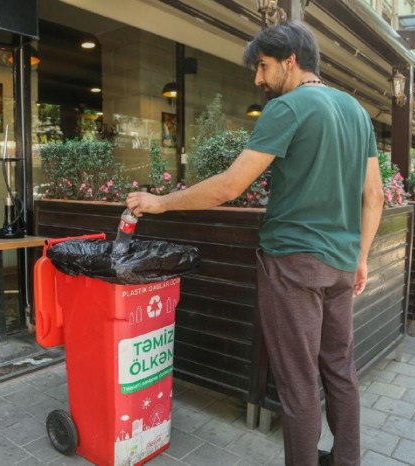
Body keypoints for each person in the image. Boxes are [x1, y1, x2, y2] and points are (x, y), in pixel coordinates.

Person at [125, 20, 383, 466]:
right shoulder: (356, 111)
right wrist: (360, 259)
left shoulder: (289, 108)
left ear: (291, 60)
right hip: (341, 265)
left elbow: (230, 185)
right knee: (340, 371)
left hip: (294, 264)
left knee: (299, 383)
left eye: (263, 66)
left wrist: (161, 202)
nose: (258, 78)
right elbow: (374, 196)